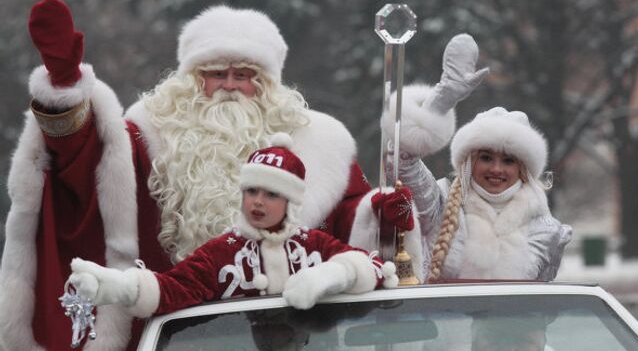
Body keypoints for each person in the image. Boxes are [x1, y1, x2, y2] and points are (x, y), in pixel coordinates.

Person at [0, 0, 482, 351]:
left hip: (303, 338)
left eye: (245, 74)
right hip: (180, 339)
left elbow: (351, 228)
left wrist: (379, 213)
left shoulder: (320, 143)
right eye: (216, 73)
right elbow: (79, 170)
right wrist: (63, 92)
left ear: (267, 83)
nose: (229, 86)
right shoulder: (146, 134)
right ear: (191, 79)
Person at [66, 135, 397, 337]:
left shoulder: (314, 244)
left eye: (270, 194)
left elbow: (377, 268)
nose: (257, 201)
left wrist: (334, 275)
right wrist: (118, 286)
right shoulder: (221, 253)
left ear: (289, 201)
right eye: (251, 190)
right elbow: (173, 289)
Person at [383, 95, 572, 279]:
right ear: (469, 162)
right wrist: (434, 108)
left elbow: (539, 304)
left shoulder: (546, 228)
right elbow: (401, 160)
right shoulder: (440, 202)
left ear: (522, 168)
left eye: (508, 160)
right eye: (486, 158)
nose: (496, 169)